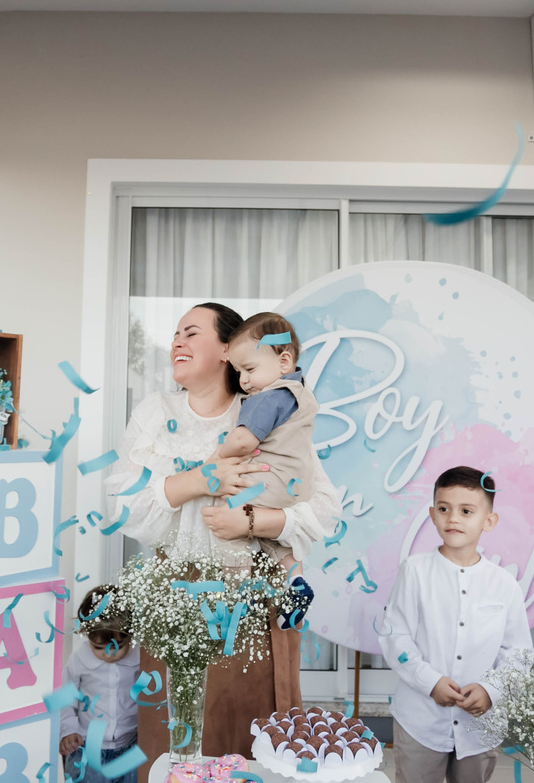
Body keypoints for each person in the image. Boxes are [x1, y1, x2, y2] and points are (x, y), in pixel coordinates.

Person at [105, 303, 342, 768]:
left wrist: (252, 523)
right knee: (177, 745)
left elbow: (323, 507)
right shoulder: (156, 412)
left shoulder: (267, 407)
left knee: (246, 742)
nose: (177, 341)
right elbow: (122, 505)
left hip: (252, 599)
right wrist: (202, 479)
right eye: (175, 333)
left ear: (227, 349)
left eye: (191, 332)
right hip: (176, 603)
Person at [379, 466, 533, 783]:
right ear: (432, 515)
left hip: (480, 725)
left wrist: (491, 690)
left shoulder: (504, 584)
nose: (453, 519)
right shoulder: (415, 571)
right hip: (419, 722)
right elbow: (396, 637)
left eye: (466, 511)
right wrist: (430, 682)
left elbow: (518, 654)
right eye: (444, 509)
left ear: (488, 521)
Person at [208, 312, 318, 567]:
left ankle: (238, 580)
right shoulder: (300, 391)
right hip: (296, 487)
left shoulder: (268, 398)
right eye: (238, 372)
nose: (243, 380)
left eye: (249, 369)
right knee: (274, 538)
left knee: (227, 519)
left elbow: (243, 441)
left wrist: (218, 456)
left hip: (270, 483)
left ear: (284, 361)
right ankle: (294, 577)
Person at [59, 586, 140, 783]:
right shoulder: (79, 659)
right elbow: (65, 697)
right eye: (98, 647)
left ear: (130, 635)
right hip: (89, 748)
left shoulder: (139, 657)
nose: (109, 654)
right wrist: (68, 730)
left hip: (131, 746)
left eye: (119, 646)